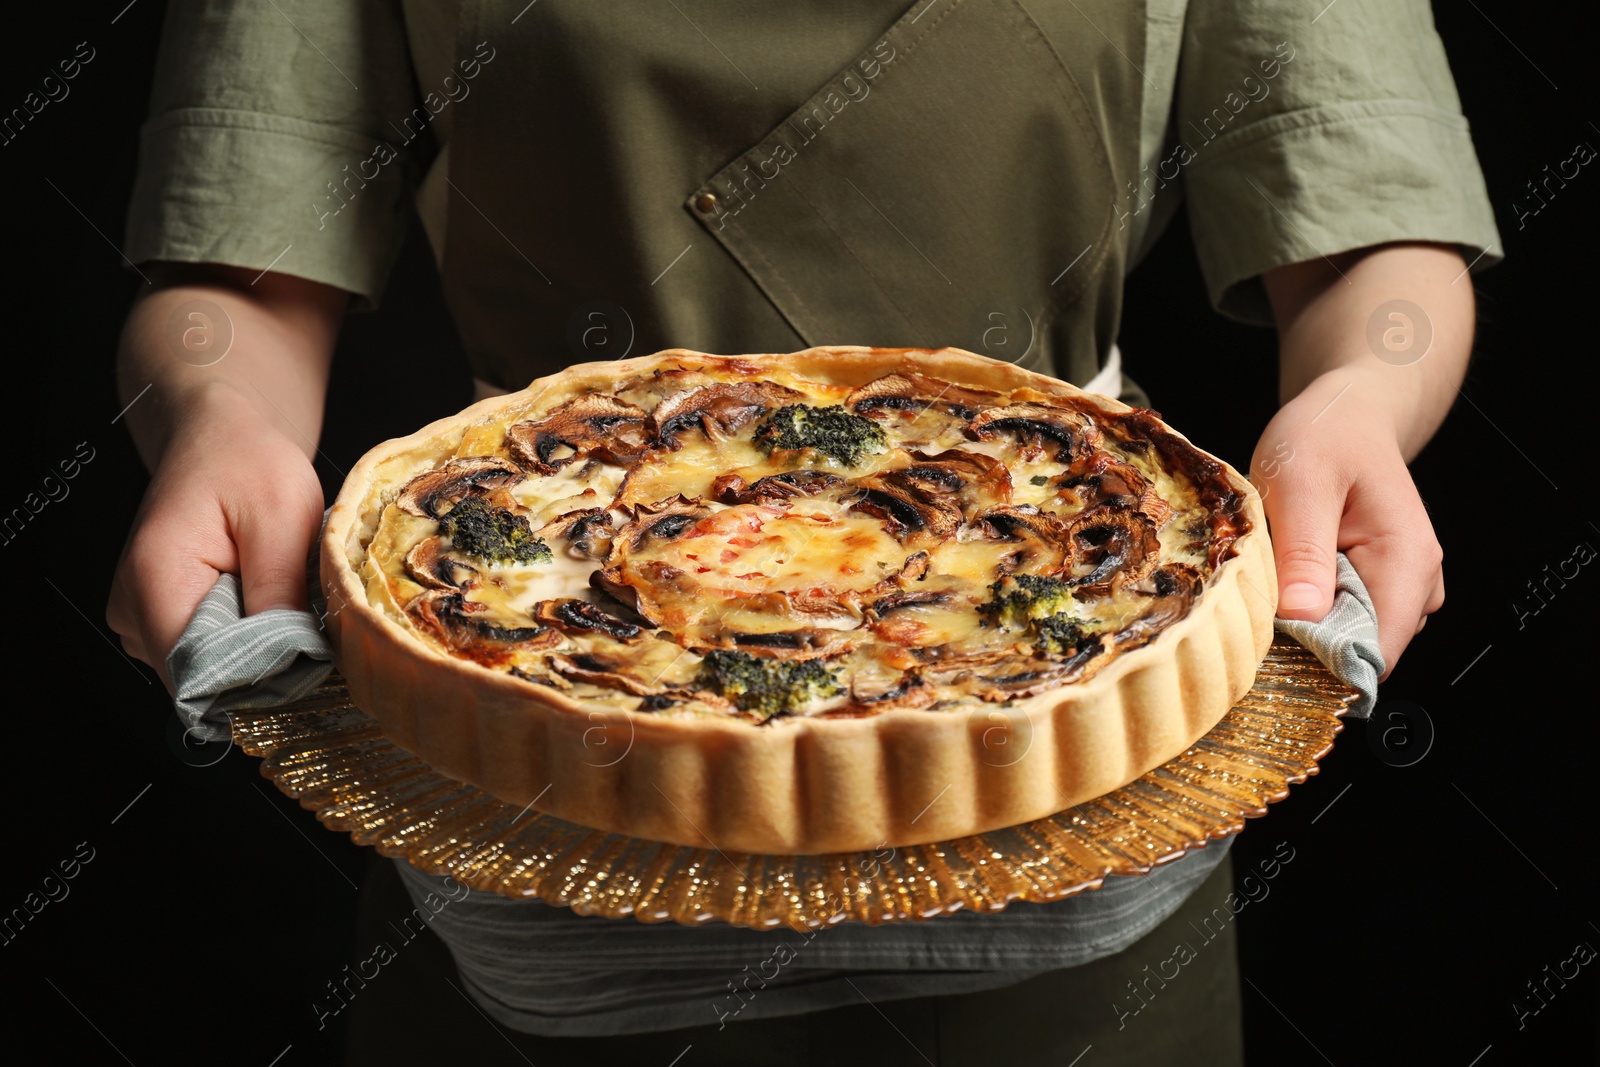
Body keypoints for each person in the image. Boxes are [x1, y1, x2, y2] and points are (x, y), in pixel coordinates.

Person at [106, 2, 1498, 1063]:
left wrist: (1358, 400)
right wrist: (217, 414)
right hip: (529, 646)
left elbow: (1376, 217)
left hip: (1084, 645)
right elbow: (238, 254)